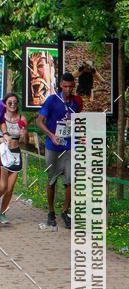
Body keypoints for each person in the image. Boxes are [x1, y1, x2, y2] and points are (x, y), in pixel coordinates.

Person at [37, 72, 79, 229]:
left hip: (69, 147)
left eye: (70, 86)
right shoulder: (52, 100)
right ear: (61, 85)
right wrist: (51, 135)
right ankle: (51, 211)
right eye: (65, 86)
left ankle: (65, 211)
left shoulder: (75, 104)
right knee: (52, 180)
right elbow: (39, 121)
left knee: (70, 181)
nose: (68, 89)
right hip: (53, 147)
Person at [0, 93, 28, 223]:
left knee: (10, 189)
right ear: (5, 104)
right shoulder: (2, 117)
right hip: (3, 153)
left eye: (15, 103)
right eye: (10, 102)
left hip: (16, 153)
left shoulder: (22, 118)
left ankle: (2, 213)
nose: (12, 105)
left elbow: (25, 140)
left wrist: (24, 134)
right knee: (2, 186)